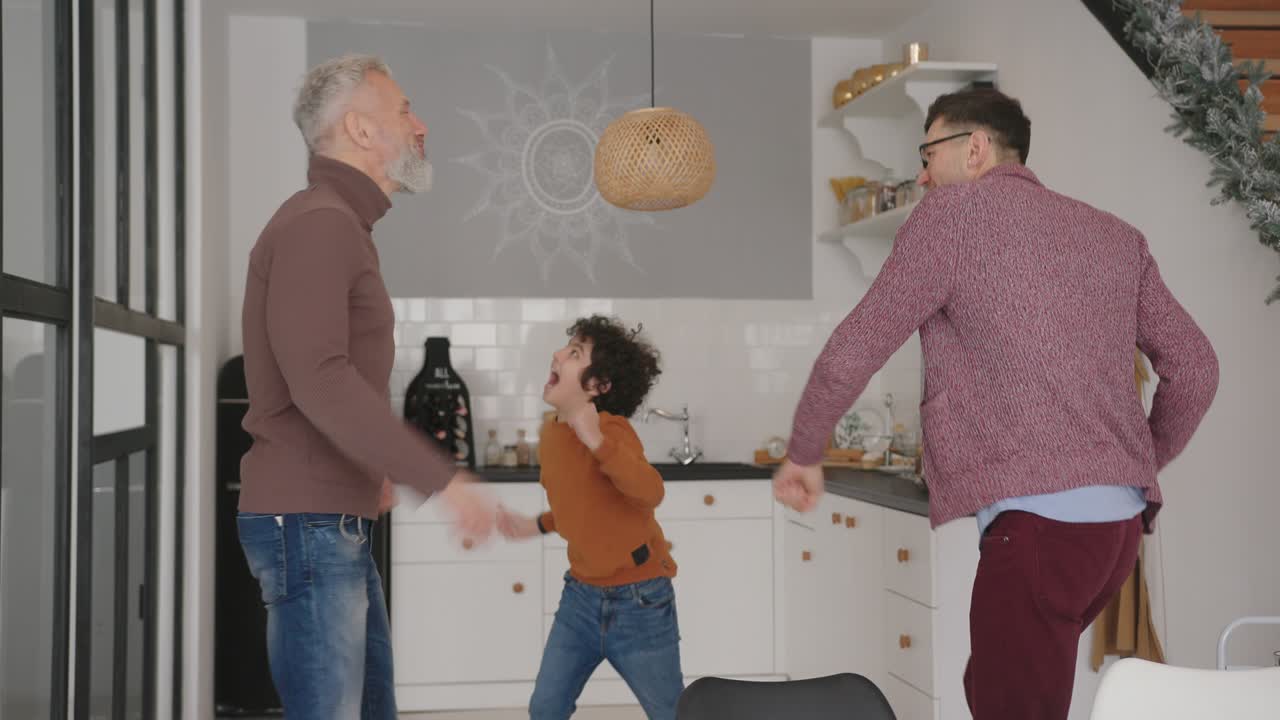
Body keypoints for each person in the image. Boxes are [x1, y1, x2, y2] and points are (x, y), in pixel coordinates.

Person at [773, 88, 1218, 720]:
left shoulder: (951, 218)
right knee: (992, 685)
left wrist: (804, 450)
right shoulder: (1115, 235)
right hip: (1114, 535)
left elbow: (857, 344)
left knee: (1009, 701)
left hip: (1042, 531)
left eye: (928, 153)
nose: (922, 175)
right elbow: (1197, 368)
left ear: (975, 148)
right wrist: (1134, 461)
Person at [236, 53, 496, 719]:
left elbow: (329, 376)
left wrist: (374, 470)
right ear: (359, 128)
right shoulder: (321, 223)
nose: (421, 125)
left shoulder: (338, 224)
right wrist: (441, 477)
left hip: (329, 521)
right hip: (311, 525)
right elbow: (320, 378)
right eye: (405, 109)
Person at [497, 316, 682, 720]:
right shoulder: (552, 434)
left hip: (640, 601)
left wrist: (595, 439)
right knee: (545, 708)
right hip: (580, 599)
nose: (557, 354)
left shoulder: (612, 432)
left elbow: (650, 492)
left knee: (670, 712)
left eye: (575, 353)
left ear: (599, 386)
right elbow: (581, 503)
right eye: (567, 348)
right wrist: (537, 525)